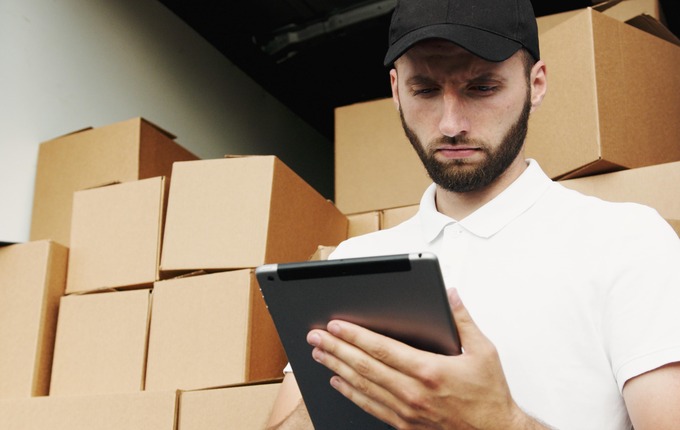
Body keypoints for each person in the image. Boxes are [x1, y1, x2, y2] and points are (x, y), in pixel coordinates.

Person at [265, 0, 680, 428]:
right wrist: (347, 387)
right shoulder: (352, 262)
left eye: (481, 87)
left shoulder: (628, 241)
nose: (450, 123)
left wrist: (498, 420)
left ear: (536, 84)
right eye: (424, 90)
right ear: (395, 91)